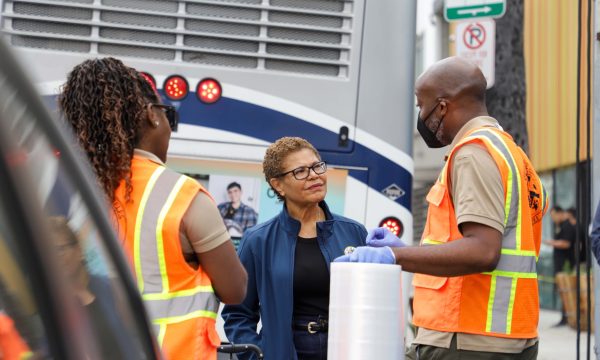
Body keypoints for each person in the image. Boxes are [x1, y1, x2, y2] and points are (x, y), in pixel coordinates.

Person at [336, 57, 547, 359]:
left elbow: (483, 250)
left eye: (422, 106)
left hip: (466, 337)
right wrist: (408, 249)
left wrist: (394, 255)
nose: (421, 116)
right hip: (505, 334)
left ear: (443, 107)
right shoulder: (512, 153)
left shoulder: (472, 154)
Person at [59, 57, 247, 360]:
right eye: (167, 115)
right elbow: (235, 289)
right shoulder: (182, 195)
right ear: (152, 116)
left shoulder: (65, 188)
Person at [222, 137, 368, 360]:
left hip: (344, 352)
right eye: (300, 171)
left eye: (317, 166)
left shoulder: (354, 232)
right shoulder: (258, 240)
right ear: (278, 185)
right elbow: (238, 314)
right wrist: (259, 356)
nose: (314, 175)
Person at [543, 206, 576, 326]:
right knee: (562, 290)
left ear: (560, 213)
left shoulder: (567, 226)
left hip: (565, 265)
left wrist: (550, 242)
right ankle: (564, 317)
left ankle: (566, 318)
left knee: (565, 290)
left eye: (553, 216)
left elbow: (566, 244)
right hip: (560, 264)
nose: (553, 219)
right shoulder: (561, 226)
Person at [217, 182, 258, 247]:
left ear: (241, 192)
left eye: (235, 191)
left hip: (238, 245)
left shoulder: (250, 211)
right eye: (230, 192)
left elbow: (250, 235)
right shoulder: (221, 207)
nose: (233, 194)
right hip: (221, 243)